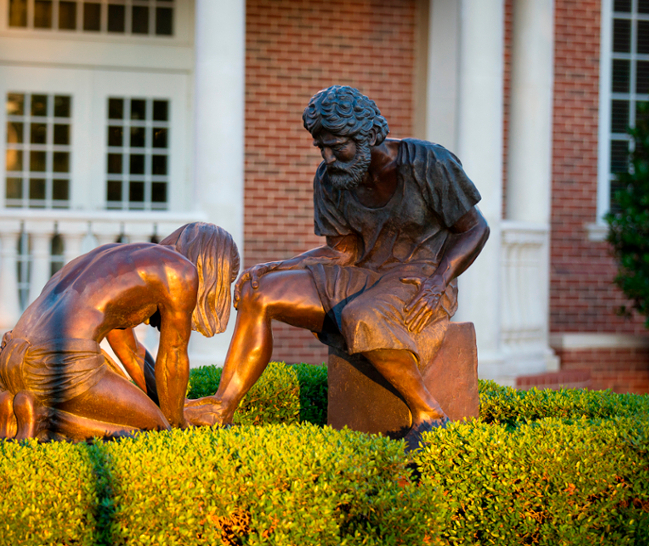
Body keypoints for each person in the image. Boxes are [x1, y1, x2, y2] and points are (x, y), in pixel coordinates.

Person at [185, 86, 489, 446]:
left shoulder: (428, 162)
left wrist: (440, 280)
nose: (328, 157)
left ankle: (429, 413)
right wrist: (278, 266)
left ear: (370, 136)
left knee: (361, 317)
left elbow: (475, 228)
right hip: (360, 274)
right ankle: (222, 407)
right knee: (258, 293)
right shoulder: (332, 179)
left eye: (337, 146)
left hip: (419, 277)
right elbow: (341, 251)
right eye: (322, 147)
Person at [0, 222, 240, 441]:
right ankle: (47, 419)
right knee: (157, 434)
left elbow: (131, 352)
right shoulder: (181, 272)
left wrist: (178, 406)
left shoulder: (118, 258)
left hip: (9, 358)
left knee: (125, 392)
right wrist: (177, 423)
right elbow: (172, 357)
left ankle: (19, 406)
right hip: (62, 363)